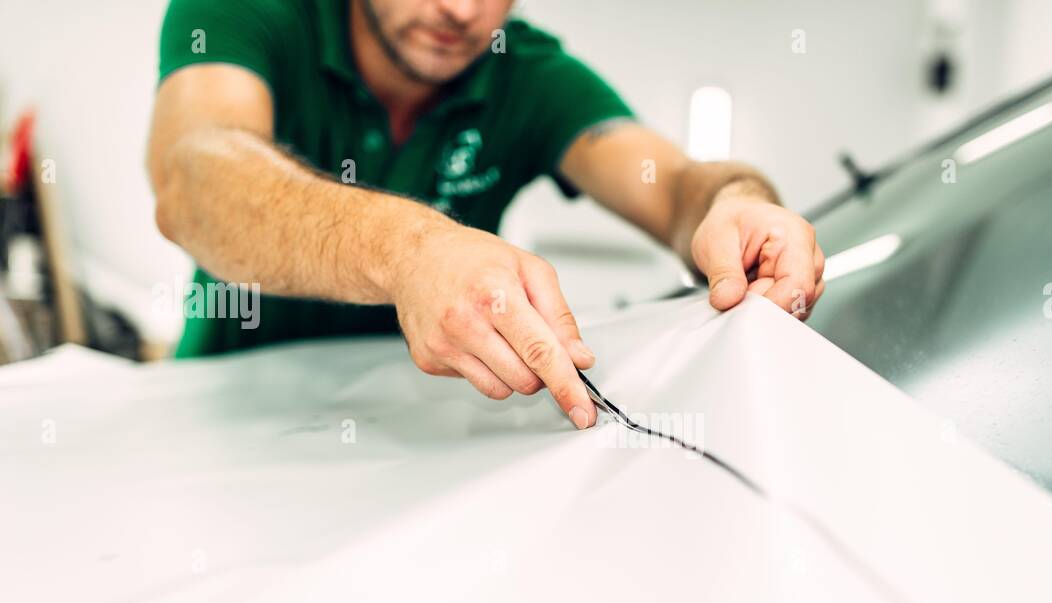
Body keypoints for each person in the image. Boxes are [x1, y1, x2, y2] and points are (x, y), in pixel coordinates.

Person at [148, 0, 825, 428]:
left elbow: (674, 187)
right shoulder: (246, 12)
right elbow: (193, 181)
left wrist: (736, 202)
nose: (461, 12)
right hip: (226, 425)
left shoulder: (525, 74)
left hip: (413, 444)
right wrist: (407, 250)